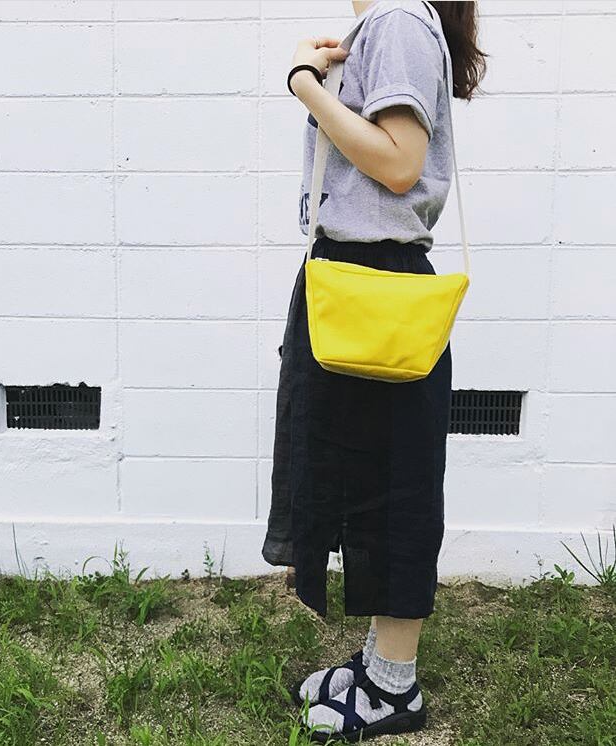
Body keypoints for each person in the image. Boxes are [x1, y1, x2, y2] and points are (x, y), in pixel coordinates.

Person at [261, 0, 487, 740]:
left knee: (391, 485)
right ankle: (377, 663)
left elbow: (398, 163)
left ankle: (394, 688)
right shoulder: (386, 26)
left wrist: (304, 84)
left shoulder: (397, 21)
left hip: (375, 284)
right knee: (366, 476)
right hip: (355, 281)